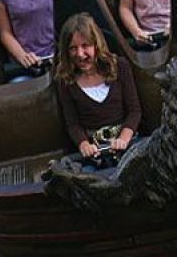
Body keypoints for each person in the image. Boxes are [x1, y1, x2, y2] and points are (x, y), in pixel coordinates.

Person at [55, 13, 142, 158]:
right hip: (94, 152)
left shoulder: (120, 66)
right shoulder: (65, 80)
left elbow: (134, 111)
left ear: (96, 45)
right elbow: (73, 124)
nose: (80, 54)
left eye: (85, 46)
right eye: (73, 48)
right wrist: (84, 145)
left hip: (126, 143)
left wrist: (124, 139)